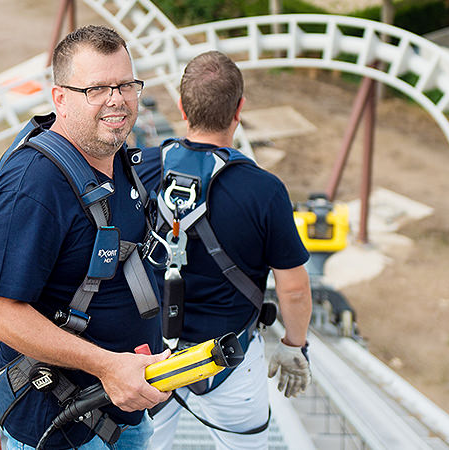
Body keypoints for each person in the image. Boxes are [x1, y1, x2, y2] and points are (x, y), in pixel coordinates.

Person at [0, 25, 170, 450]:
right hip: (62, 427)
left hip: (125, 413)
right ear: (60, 98)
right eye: (97, 88)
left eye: (125, 85)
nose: (117, 99)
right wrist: (107, 367)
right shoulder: (34, 184)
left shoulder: (117, 159)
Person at [145, 51, 314, 450]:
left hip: (148, 358)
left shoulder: (143, 169)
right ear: (239, 109)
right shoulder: (265, 190)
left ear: (183, 108)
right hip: (231, 360)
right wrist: (294, 344)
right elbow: (292, 288)